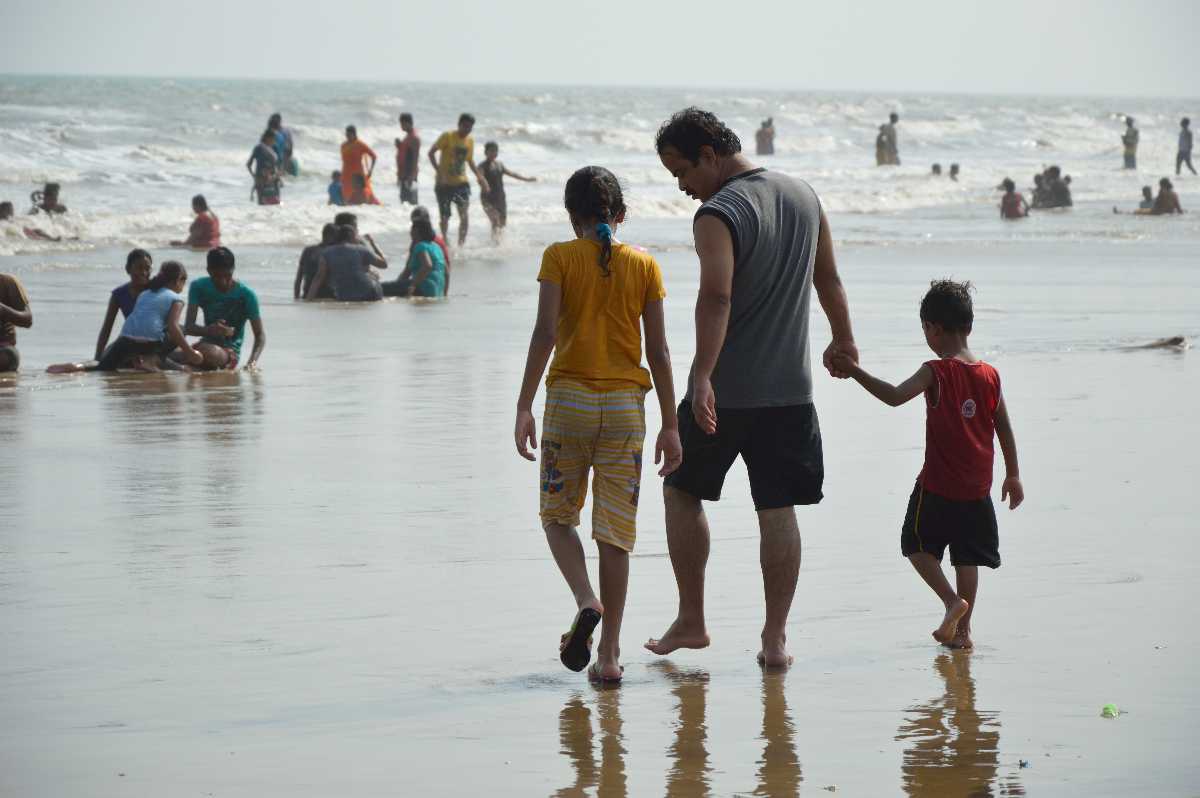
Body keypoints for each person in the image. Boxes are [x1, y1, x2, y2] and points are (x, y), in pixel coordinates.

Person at [647, 108, 857, 669]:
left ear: (709, 155)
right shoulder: (805, 196)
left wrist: (700, 376)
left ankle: (692, 619)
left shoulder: (718, 212)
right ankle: (775, 638)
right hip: (791, 393)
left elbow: (717, 297)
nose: (682, 187)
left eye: (682, 171)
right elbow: (828, 278)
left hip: (726, 391)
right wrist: (844, 338)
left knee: (681, 490)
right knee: (777, 507)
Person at [513, 165, 681, 683]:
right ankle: (608, 657)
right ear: (620, 214)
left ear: (572, 216)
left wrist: (523, 405)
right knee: (615, 535)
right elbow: (659, 351)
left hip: (570, 403)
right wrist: (671, 423)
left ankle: (587, 598)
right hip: (627, 409)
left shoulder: (559, 257)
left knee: (557, 516)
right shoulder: (645, 265)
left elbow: (545, 334)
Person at [831, 280, 1024, 650]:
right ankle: (963, 632)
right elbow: (1004, 426)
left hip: (937, 485)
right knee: (967, 558)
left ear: (932, 328)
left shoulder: (936, 371)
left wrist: (855, 371)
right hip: (977, 490)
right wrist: (1013, 475)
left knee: (915, 544)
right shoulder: (990, 375)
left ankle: (951, 601)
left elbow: (894, 396)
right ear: (969, 326)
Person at [52, 261, 202, 373]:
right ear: (179, 280)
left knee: (103, 368)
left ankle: (75, 367)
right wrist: (190, 352)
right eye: (184, 282)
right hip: (149, 343)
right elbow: (173, 327)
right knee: (181, 329)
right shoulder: (176, 299)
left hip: (125, 339)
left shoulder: (145, 293)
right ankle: (150, 361)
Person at [181, 246, 265, 371]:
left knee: (210, 353)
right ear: (209, 271)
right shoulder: (198, 287)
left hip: (228, 352)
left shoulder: (246, 295)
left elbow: (259, 335)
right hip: (204, 344)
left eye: (227, 276)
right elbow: (189, 327)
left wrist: (252, 362)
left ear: (233, 269)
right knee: (174, 331)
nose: (223, 281)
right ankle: (188, 362)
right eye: (216, 276)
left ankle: (185, 361)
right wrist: (210, 330)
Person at [429, 113, 489, 246]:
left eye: (470, 127)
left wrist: (481, 178)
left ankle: (461, 245)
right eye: (465, 126)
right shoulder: (448, 136)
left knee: (464, 214)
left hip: (461, 184)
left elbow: (470, 161)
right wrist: (440, 173)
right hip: (444, 185)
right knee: (445, 216)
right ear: (459, 124)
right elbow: (431, 153)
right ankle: (445, 241)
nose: (467, 129)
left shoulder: (470, 141)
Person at [95, 248, 153, 360]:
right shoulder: (119, 294)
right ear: (128, 269)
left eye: (147, 268)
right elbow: (107, 328)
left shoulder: (157, 291)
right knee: (106, 358)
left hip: (154, 342)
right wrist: (97, 357)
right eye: (139, 268)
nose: (144, 273)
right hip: (129, 341)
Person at [307, 224, 388, 302]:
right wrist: (372, 244)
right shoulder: (362, 249)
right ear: (351, 235)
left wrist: (309, 299)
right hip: (369, 294)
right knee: (374, 275)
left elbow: (318, 277)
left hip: (344, 296)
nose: (358, 239)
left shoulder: (326, 253)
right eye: (356, 236)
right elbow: (384, 265)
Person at [479, 141, 536, 241]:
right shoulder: (482, 166)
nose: (493, 153)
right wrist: (484, 184)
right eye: (491, 151)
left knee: (502, 223)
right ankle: (494, 243)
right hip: (487, 198)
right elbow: (480, 177)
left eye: (495, 151)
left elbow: (512, 174)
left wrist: (527, 179)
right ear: (486, 152)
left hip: (500, 197)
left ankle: (499, 242)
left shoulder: (499, 165)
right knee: (495, 220)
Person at [382, 215, 448, 298]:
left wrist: (413, 285)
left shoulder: (420, 246)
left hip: (423, 288)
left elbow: (427, 266)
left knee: (381, 288)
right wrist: (444, 294)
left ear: (416, 231)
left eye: (411, 229)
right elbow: (447, 272)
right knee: (393, 288)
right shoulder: (437, 247)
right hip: (437, 291)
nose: (410, 232)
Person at [0, 272, 33, 372]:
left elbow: (27, 320)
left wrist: (3, 310)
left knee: (5, 357)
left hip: (3, 347)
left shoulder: (6, 281)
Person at [295, 223, 337, 299]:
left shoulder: (307, 250)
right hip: (327, 295)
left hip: (307, 294)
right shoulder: (331, 253)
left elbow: (299, 278)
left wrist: (296, 297)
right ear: (331, 236)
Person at [340, 126, 378, 205]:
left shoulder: (360, 144)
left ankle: (369, 210)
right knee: (347, 198)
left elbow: (374, 156)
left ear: (354, 134)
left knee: (364, 195)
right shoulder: (343, 146)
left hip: (358, 176)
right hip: (346, 175)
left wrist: (370, 171)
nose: (347, 137)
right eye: (346, 135)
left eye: (349, 135)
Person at [247, 130, 281, 205]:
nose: (275, 141)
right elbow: (249, 164)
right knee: (264, 205)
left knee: (274, 205)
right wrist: (255, 177)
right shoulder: (259, 148)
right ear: (268, 138)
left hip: (273, 181)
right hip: (263, 182)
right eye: (274, 139)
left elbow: (273, 166)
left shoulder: (271, 148)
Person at [396, 113, 421, 205]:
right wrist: (399, 146)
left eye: (402, 124)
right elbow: (406, 154)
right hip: (404, 175)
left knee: (410, 203)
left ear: (408, 123)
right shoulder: (408, 137)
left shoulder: (414, 138)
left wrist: (412, 176)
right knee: (404, 202)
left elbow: (415, 158)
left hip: (409, 175)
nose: (401, 126)